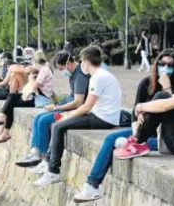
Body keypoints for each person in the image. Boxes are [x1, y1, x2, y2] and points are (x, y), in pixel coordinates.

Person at [73, 48, 174, 202]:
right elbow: (135, 111)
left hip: (167, 137)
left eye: (170, 65)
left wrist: (167, 88)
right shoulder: (146, 83)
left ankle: (131, 144)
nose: (165, 68)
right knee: (111, 139)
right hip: (143, 132)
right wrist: (135, 129)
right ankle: (92, 186)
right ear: (156, 64)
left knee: (134, 140)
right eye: (162, 63)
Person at [33, 46, 122, 186]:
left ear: (86, 61)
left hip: (102, 119)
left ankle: (53, 171)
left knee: (57, 126)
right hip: (102, 116)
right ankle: (48, 163)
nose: (81, 65)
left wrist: (68, 115)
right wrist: (68, 115)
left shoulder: (98, 77)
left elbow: (86, 106)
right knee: (58, 125)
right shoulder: (101, 75)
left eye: (81, 61)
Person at [15, 50, 90, 167]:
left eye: (61, 69)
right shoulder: (73, 74)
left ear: (68, 63)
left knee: (44, 120)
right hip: (66, 104)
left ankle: (44, 157)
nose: (62, 72)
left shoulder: (80, 76)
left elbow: (78, 102)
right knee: (38, 117)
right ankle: (34, 150)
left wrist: (56, 107)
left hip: (74, 110)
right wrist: (56, 104)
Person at [0, 50, 54, 144]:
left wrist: (30, 79)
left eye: (33, 60)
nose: (32, 63)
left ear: (35, 60)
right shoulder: (44, 69)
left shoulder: (44, 70)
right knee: (12, 97)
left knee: (12, 102)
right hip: (36, 97)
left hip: (39, 100)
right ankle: (3, 126)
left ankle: (3, 125)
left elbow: (34, 87)